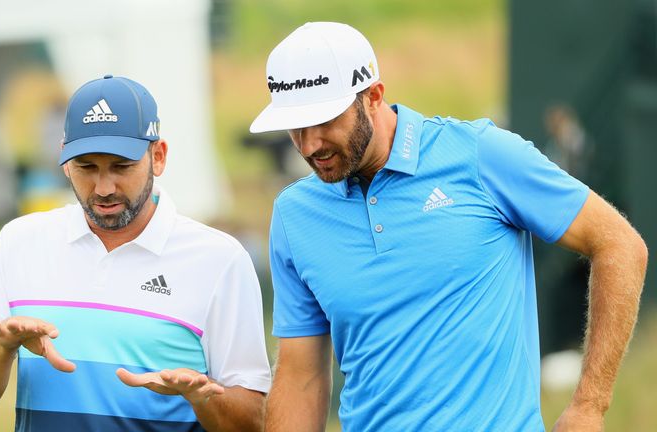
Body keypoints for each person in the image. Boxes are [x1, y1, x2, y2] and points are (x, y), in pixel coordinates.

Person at [249, 22, 647, 431]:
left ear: (373, 97)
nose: (310, 144)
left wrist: (589, 405)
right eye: (296, 127)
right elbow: (302, 377)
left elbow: (619, 244)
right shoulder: (294, 214)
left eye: (325, 121)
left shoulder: (481, 155)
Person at [0, 75, 271, 431]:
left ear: (158, 156)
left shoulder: (218, 260)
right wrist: (1, 345)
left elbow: (254, 420)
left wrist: (203, 396)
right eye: (87, 167)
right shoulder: (19, 242)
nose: (103, 187)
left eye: (121, 166)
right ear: (65, 161)